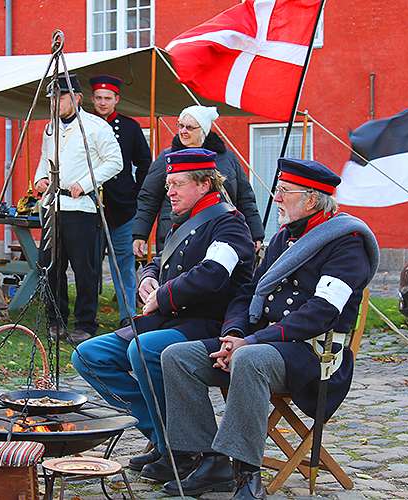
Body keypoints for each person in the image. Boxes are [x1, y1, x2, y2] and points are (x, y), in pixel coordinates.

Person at [159, 159, 380, 498]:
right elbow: (248, 292)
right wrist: (235, 333)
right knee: (177, 357)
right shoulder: (284, 238)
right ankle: (209, 462)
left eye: (283, 191)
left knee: (250, 359)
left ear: (311, 199)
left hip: (312, 354)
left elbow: (321, 312)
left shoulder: (347, 244)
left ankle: (247, 473)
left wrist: (252, 341)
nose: (276, 198)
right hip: (261, 343)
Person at [72, 148, 255, 483]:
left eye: (177, 184)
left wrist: (163, 295)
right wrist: (148, 279)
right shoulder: (183, 218)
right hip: (170, 320)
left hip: (207, 324)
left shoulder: (229, 223)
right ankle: (165, 439)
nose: (169, 192)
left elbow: (213, 273)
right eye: (168, 184)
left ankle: (188, 450)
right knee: (88, 355)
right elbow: (160, 261)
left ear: (204, 184)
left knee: (144, 350)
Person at [34, 74, 123, 343]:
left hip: (81, 207)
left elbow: (114, 161)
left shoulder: (95, 127)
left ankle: (85, 323)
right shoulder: (50, 128)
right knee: (50, 266)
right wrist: (40, 178)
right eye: (52, 98)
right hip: (54, 205)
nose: (55, 102)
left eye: (60, 97)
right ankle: (56, 319)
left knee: (85, 270)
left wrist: (84, 184)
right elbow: (44, 158)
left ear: (76, 98)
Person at [132, 105, 264, 258]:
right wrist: (140, 234)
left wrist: (255, 233)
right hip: (176, 232)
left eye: (189, 127)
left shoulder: (227, 158)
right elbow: (149, 197)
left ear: (203, 130)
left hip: (220, 230)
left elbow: (245, 197)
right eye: (180, 125)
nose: (183, 131)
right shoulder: (167, 158)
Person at [89, 75, 152, 326]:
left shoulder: (129, 127)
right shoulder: (85, 124)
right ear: (92, 99)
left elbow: (145, 162)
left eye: (108, 98)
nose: (103, 103)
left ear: (116, 99)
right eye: (99, 98)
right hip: (89, 206)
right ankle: (87, 317)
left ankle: (128, 315)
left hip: (123, 207)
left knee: (124, 262)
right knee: (89, 265)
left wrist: (136, 192)